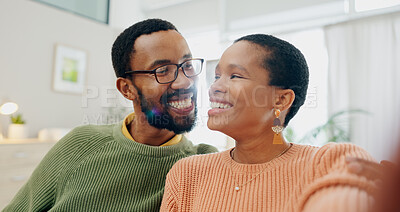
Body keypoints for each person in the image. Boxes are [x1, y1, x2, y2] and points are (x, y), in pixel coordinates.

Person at [2, 19, 217, 212]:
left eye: (187, 65)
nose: (185, 81)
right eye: (162, 71)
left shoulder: (202, 164)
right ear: (127, 89)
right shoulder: (80, 143)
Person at [160, 34, 377, 211]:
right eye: (217, 76)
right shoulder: (187, 174)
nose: (214, 87)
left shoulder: (328, 163)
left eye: (235, 76)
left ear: (281, 100)